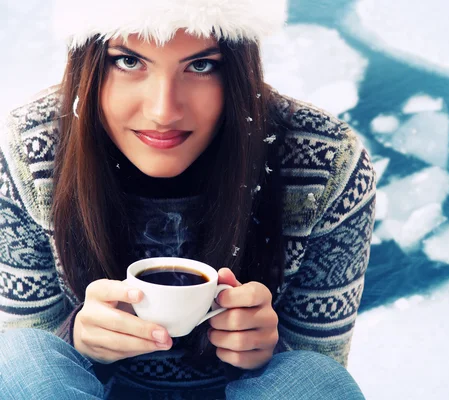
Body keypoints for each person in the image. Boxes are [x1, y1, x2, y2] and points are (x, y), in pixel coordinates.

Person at [0, 0, 376, 398]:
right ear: (88, 61)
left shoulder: (325, 161)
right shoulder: (31, 151)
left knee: (313, 378)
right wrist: (77, 337)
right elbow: (27, 361)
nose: (163, 111)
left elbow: (321, 364)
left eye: (200, 65)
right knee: (16, 355)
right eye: (128, 61)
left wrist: (271, 349)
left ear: (237, 67)